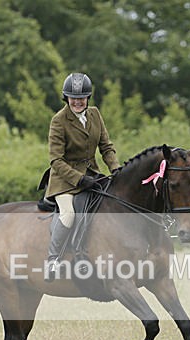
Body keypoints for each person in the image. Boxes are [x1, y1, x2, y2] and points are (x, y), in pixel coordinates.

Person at [44, 72, 120, 281]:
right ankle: (53, 260)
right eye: (73, 98)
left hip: (92, 176)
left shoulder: (95, 114)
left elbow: (106, 147)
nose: (77, 102)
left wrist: (116, 169)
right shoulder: (58, 121)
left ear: (88, 98)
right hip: (64, 181)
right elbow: (56, 161)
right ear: (66, 98)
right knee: (68, 214)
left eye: (82, 98)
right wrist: (79, 179)